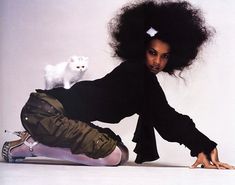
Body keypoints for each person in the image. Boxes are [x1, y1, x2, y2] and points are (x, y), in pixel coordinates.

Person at [2, 0, 234, 169]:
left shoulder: (142, 78)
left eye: (164, 56)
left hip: (57, 114)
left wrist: (200, 145)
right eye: (153, 53)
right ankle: (28, 144)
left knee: (120, 154)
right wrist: (203, 145)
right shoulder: (135, 72)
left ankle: (34, 140)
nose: (157, 61)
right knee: (112, 155)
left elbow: (165, 118)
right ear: (141, 49)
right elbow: (167, 119)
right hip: (45, 111)